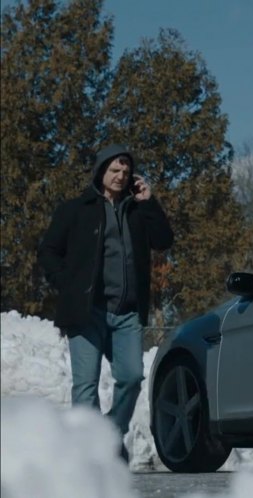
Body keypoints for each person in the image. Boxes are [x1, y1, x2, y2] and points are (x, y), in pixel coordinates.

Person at [38, 144, 174, 463]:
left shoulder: (138, 211)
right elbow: (48, 252)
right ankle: (88, 455)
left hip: (126, 313)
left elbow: (164, 240)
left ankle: (110, 435)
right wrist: (68, 286)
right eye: (114, 170)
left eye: (126, 172)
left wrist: (149, 201)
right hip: (87, 313)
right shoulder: (76, 209)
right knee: (85, 387)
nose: (120, 176)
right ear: (101, 173)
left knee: (131, 377)